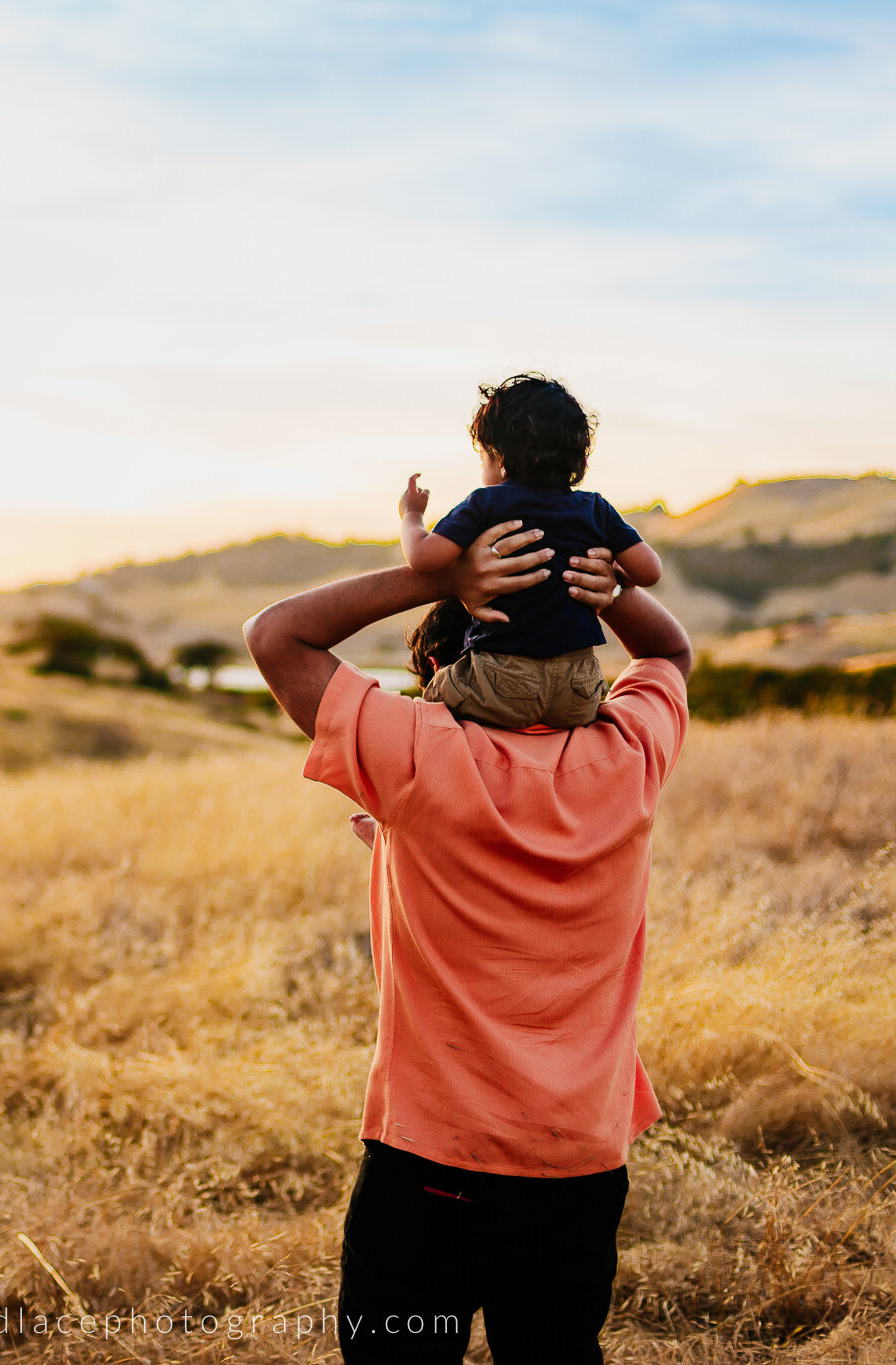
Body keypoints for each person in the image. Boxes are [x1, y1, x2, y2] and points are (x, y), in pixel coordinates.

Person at [242, 522, 692, 1364]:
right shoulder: (628, 753)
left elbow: (275, 635)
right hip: (578, 1166)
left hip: (432, 1165)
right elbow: (671, 654)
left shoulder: (419, 756)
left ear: (444, 672)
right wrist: (604, 583)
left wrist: (442, 572)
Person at [399, 373, 662, 729]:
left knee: (432, 699)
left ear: (501, 459)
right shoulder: (595, 508)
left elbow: (423, 558)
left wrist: (412, 516)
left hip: (502, 679)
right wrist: (610, 576)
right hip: (580, 690)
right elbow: (649, 572)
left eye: (483, 460)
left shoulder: (487, 503)